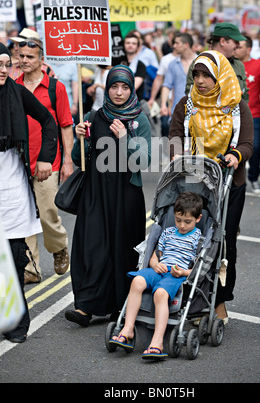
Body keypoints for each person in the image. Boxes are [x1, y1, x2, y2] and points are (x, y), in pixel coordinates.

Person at [169, 50, 253, 322]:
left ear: (220, 76)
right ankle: (187, 299)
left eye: (207, 75)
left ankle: (219, 301)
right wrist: (175, 153)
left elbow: (247, 143)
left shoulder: (236, 105)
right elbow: (175, 133)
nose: (201, 80)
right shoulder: (187, 102)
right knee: (190, 238)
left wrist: (235, 155)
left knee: (224, 243)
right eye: (197, 74)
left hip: (228, 182)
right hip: (193, 181)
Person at [65, 65, 151, 327]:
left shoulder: (140, 119)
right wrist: (81, 138)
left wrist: (125, 137)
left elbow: (144, 162)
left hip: (126, 196)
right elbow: (80, 159)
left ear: (131, 89)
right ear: (107, 87)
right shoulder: (94, 115)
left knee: (123, 250)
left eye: (125, 87)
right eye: (114, 86)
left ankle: (120, 307)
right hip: (96, 193)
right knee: (91, 247)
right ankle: (86, 307)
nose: (119, 92)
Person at [0, 43, 57, 343]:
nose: (3, 69)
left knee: (13, 256)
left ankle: (17, 324)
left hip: (10, 184)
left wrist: (46, 157)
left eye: (6, 63)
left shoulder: (17, 92)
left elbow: (49, 122)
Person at [109, 191, 203, 359]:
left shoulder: (198, 238)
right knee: (137, 281)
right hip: (158, 269)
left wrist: (183, 272)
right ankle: (128, 328)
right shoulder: (167, 232)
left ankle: (157, 341)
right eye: (178, 220)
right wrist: (154, 264)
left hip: (177, 274)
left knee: (160, 294)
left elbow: (197, 268)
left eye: (187, 222)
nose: (182, 225)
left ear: (198, 218)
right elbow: (155, 255)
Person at [15, 37, 73, 283]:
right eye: (22, 56)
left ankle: (59, 247)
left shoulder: (55, 87)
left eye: (30, 56)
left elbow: (65, 125)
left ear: (41, 59)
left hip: (49, 162)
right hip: (18, 163)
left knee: (48, 211)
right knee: (23, 216)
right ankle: (31, 267)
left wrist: (68, 160)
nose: (25, 60)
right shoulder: (12, 85)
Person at [235, 34, 260, 194]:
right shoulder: (230, 66)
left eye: (239, 46)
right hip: (234, 116)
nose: (236, 49)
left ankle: (253, 177)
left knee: (254, 148)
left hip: (255, 115)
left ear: (249, 49)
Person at [185, 23, 248, 101]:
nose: (238, 45)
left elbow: (244, 96)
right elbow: (191, 94)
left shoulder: (238, 65)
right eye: (235, 41)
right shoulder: (200, 62)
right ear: (222, 41)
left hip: (235, 112)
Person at [160, 33, 197, 118]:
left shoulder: (200, 62)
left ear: (186, 45)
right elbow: (166, 85)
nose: (174, 46)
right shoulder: (173, 64)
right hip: (178, 111)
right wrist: (163, 105)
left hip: (197, 110)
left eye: (177, 43)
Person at [121, 31, 146, 101]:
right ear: (123, 45)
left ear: (138, 47)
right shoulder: (118, 62)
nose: (130, 45)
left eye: (133, 43)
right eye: (128, 43)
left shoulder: (140, 65)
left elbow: (134, 87)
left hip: (134, 104)